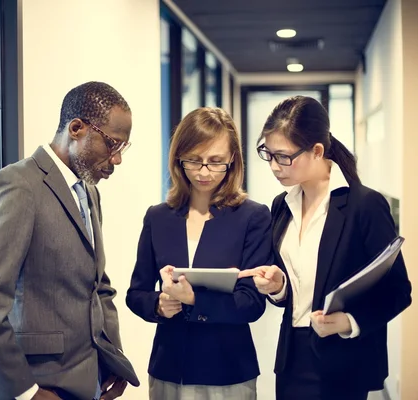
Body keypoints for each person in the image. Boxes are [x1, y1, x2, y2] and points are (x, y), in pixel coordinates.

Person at [0, 82, 140, 400]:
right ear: (76, 128)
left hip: (90, 381)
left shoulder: (89, 192)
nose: (116, 160)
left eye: (122, 148)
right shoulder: (19, 185)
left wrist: (113, 358)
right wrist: (25, 391)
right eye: (111, 145)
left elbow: (98, 286)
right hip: (41, 385)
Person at [239, 95, 412, 400]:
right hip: (292, 357)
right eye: (268, 153)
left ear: (317, 150)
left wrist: (348, 322)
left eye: (284, 156)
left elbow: (398, 291)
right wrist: (278, 287)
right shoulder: (282, 205)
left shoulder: (364, 205)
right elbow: (293, 293)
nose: (275, 166)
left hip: (343, 361)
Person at [126, 107, 272, 400]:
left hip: (228, 371)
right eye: (194, 160)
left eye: (216, 162)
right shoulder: (158, 217)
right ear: (179, 159)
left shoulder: (252, 217)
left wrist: (193, 300)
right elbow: (136, 292)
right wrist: (158, 304)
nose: (204, 172)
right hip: (169, 369)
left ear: (232, 160)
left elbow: (252, 304)